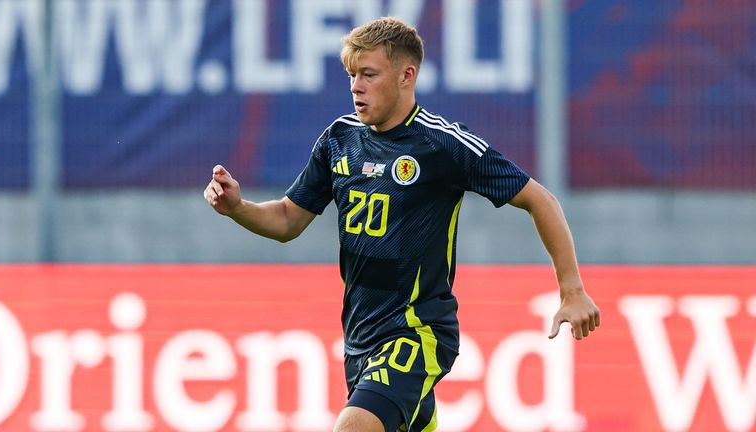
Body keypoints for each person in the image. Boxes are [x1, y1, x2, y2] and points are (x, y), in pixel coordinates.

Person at [204, 16, 600, 432]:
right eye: (351, 75)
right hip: (360, 337)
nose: (356, 86)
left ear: (406, 75)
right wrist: (237, 206)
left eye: (369, 74)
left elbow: (540, 199)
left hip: (418, 330)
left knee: (353, 427)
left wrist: (571, 290)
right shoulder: (340, 139)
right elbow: (287, 219)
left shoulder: (442, 143)